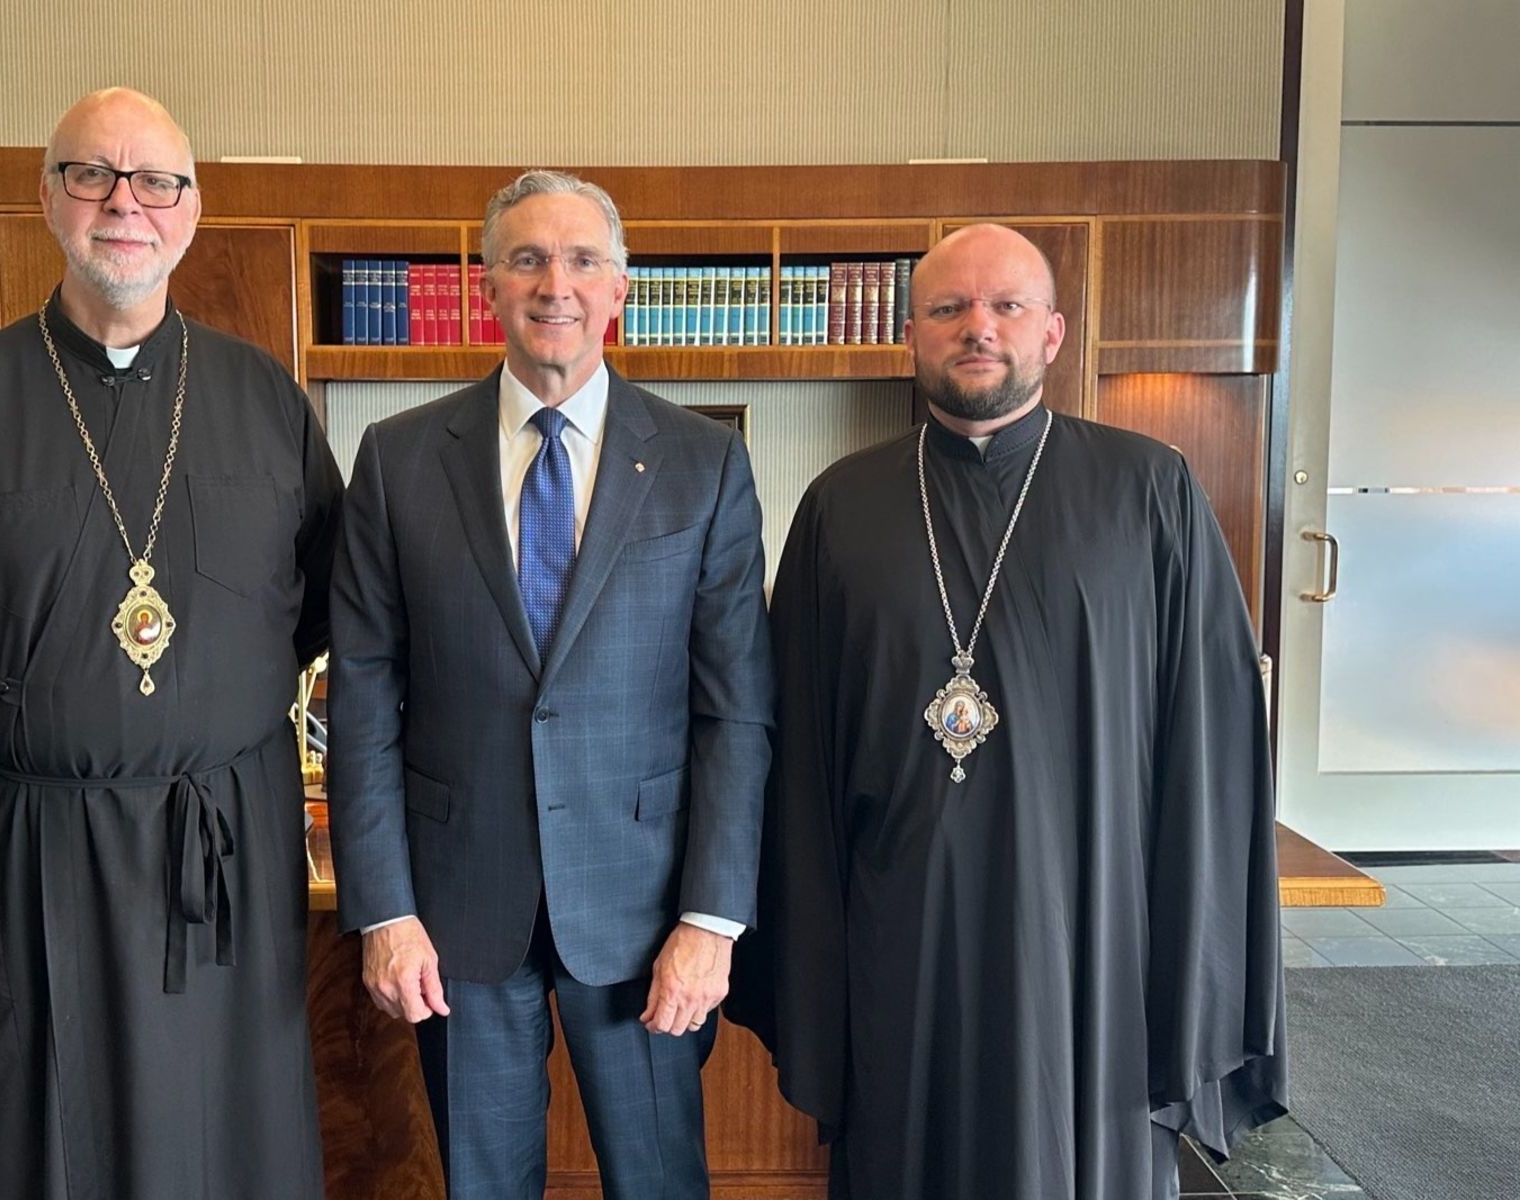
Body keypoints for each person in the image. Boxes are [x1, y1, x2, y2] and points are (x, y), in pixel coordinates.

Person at [0, 88, 339, 1199]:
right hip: (21, 859)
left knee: (224, 1147)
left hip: (220, 854)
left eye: (157, 178)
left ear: (193, 207)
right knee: (25, 1151)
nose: (126, 202)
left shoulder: (264, 400)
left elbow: (311, 615)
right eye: (92, 173)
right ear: (48, 195)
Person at [729, 224, 1286, 1199]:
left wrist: (1191, 945)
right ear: (911, 334)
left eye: (1006, 307)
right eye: (948, 308)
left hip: (1095, 935)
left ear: (1053, 334)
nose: (977, 328)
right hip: (898, 931)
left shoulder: (1149, 489)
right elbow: (796, 763)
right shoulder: (840, 508)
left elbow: (1213, 742)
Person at [327, 169, 774, 1199]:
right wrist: (384, 911)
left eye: (581, 260)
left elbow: (736, 711)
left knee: (660, 1182)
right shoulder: (397, 461)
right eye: (527, 258)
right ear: (487, 285)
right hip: (456, 915)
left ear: (620, 289)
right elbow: (362, 701)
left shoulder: (705, 464)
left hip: (645, 910)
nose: (554, 283)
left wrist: (711, 919)